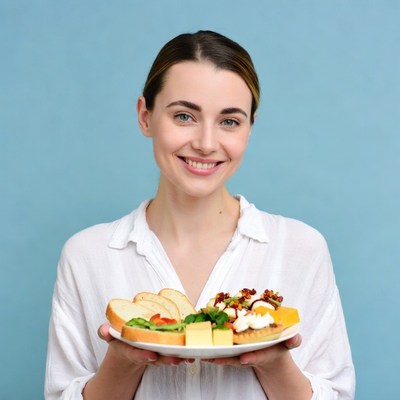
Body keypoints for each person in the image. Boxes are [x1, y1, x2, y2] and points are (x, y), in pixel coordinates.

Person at [45, 30, 355, 399]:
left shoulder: (302, 248)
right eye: (184, 116)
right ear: (145, 117)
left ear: (250, 127)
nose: (207, 144)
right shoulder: (87, 255)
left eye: (229, 121)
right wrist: (123, 361)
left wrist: (274, 362)